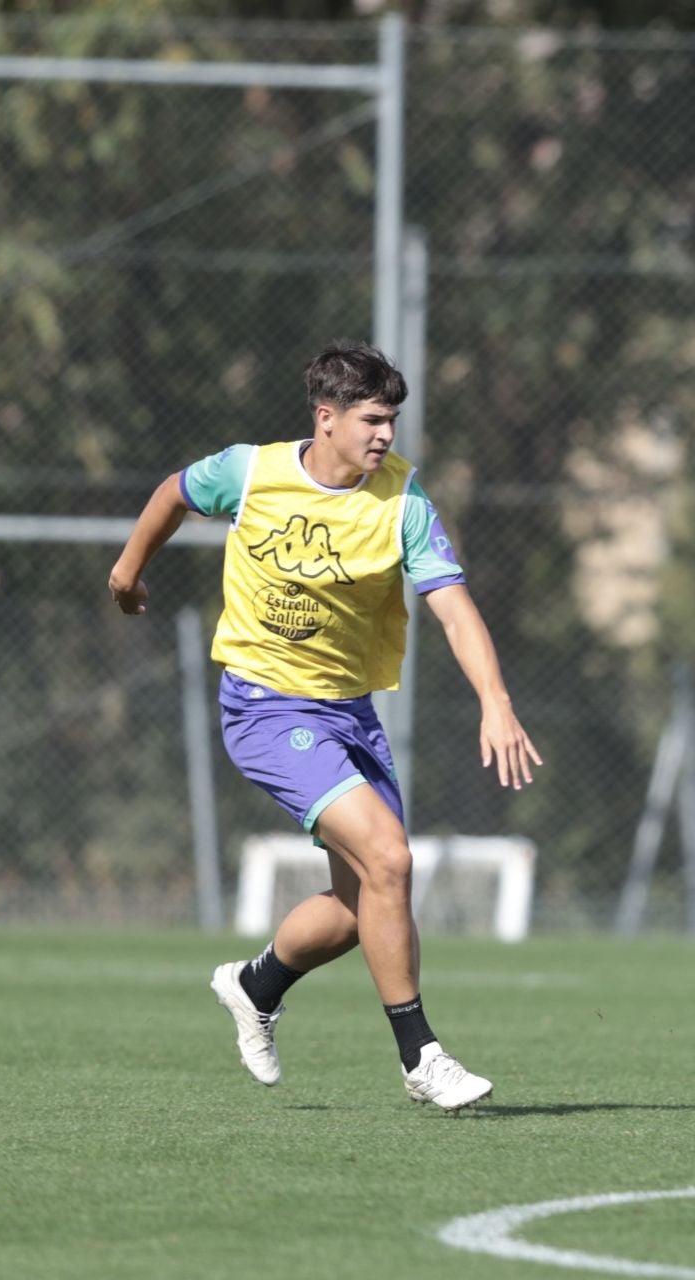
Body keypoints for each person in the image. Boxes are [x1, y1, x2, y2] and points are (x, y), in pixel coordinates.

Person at [108, 340, 541, 1110]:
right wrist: (127, 570)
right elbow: (174, 492)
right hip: (266, 708)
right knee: (391, 858)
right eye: (372, 419)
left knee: (360, 908)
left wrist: (496, 699)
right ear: (326, 418)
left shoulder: (404, 504)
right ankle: (421, 1057)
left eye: (393, 421)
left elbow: (455, 608)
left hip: (350, 714)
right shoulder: (252, 472)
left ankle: (255, 984)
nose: (384, 435)